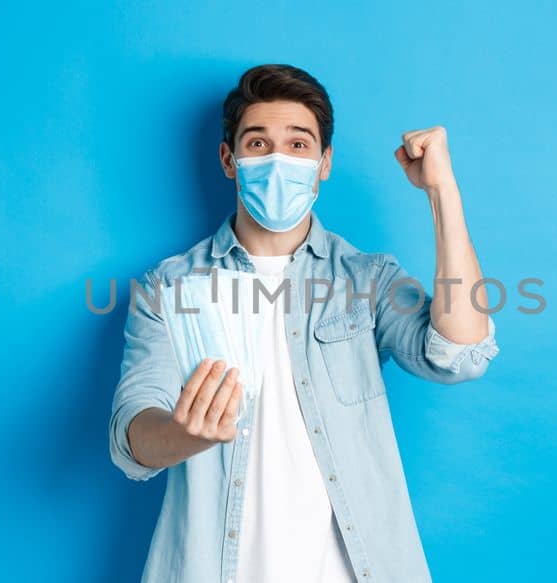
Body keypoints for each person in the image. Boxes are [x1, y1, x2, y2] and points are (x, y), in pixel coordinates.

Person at [108, 63, 499, 583]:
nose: (277, 161)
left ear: (324, 163)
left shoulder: (367, 279)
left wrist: (442, 192)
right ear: (229, 160)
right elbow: (131, 439)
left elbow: (459, 352)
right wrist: (183, 433)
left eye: (297, 145)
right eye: (257, 144)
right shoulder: (168, 287)